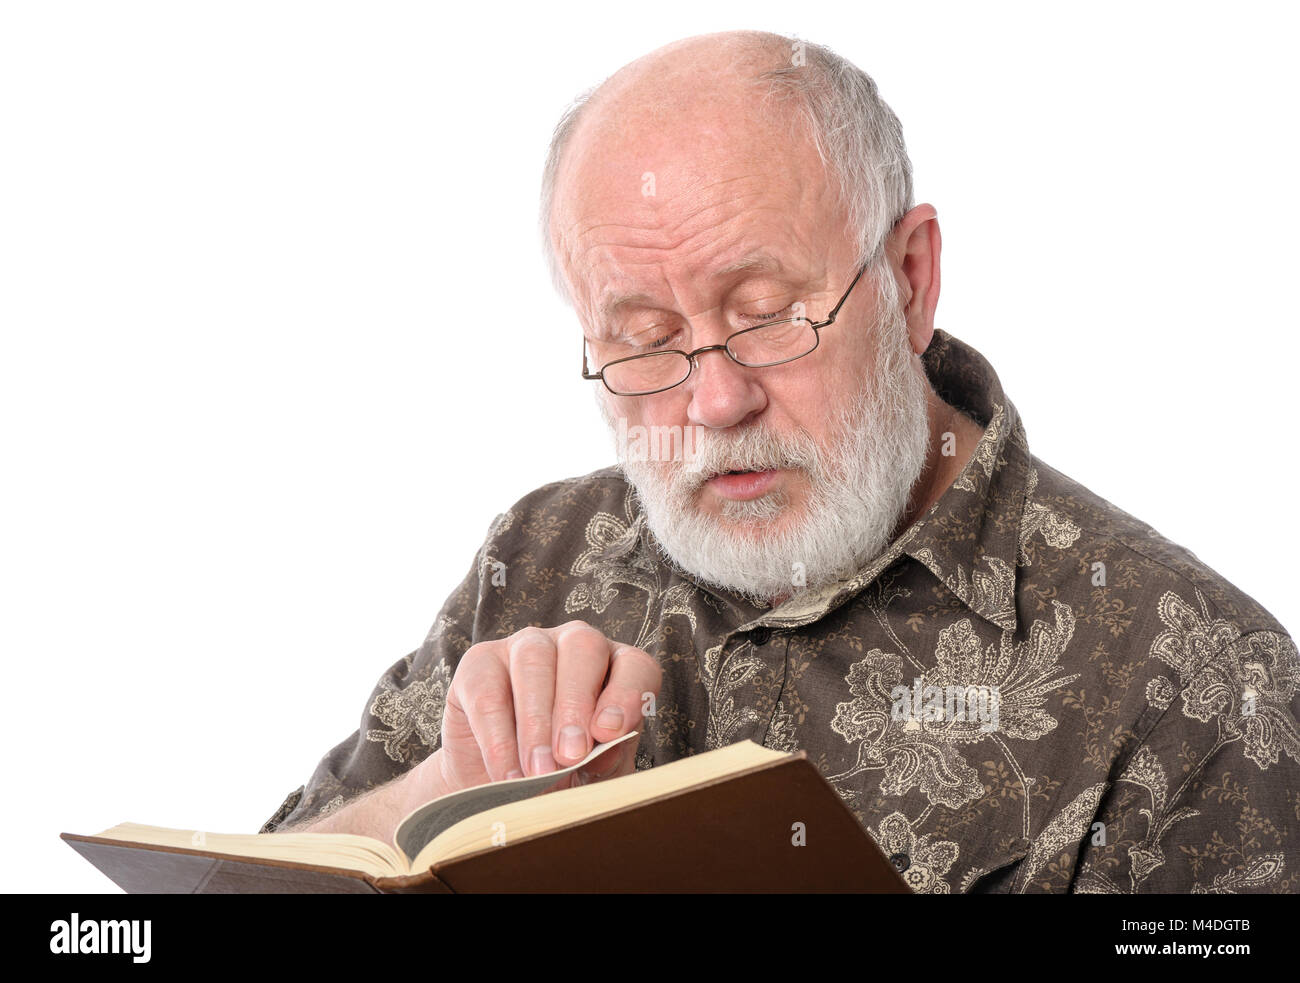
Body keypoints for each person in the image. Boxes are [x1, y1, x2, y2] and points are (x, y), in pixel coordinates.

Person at [259, 30, 1299, 893]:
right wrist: (447, 790)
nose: (713, 402)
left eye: (767, 318)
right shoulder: (540, 555)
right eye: (643, 336)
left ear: (908, 280)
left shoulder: (1205, 682)